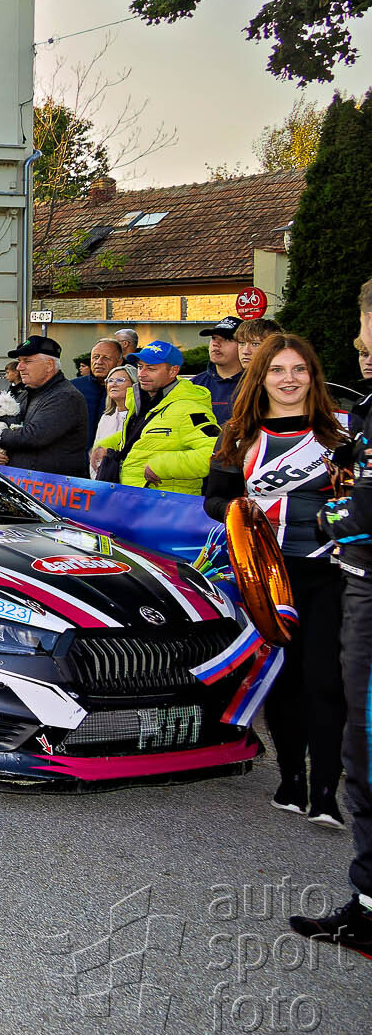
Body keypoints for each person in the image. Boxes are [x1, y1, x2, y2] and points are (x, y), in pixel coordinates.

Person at [203, 333, 346, 826]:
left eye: (299, 369)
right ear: (261, 377)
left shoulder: (339, 436)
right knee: (285, 680)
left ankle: (326, 791)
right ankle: (291, 780)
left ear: (313, 375)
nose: (289, 379)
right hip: (268, 577)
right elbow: (213, 499)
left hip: (330, 572)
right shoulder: (238, 435)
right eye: (278, 370)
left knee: (327, 680)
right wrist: (244, 510)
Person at [295, 275, 372, 954]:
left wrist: (333, 516)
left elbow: (361, 513)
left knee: (364, 751)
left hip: (363, 588)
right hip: (356, 585)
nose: (358, 344)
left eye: (367, 335)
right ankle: (368, 904)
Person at [94, 340, 218, 494]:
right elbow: (143, 437)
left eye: (151, 369)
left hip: (166, 503)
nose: (142, 374)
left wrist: (163, 466)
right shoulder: (143, 401)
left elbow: (216, 453)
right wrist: (106, 445)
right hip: (133, 498)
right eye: (140, 367)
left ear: (173, 371)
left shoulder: (190, 408)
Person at [0, 335, 92, 477]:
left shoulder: (66, 397)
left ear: (49, 365)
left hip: (53, 487)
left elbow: (32, 436)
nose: (19, 367)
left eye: (27, 361)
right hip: (25, 484)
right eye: (19, 361)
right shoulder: (25, 394)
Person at [89, 364, 138, 483]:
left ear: (135, 385)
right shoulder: (106, 417)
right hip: (103, 483)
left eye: (120, 380)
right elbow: (96, 452)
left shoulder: (141, 417)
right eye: (110, 380)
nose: (113, 384)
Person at [192, 316, 245, 420]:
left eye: (226, 339)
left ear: (243, 345)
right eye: (214, 338)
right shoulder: (195, 385)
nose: (216, 344)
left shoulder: (258, 384)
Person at [73, 338, 123, 415]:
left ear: (119, 362)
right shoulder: (74, 387)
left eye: (106, 358)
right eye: (96, 357)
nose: (99, 362)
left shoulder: (128, 388)